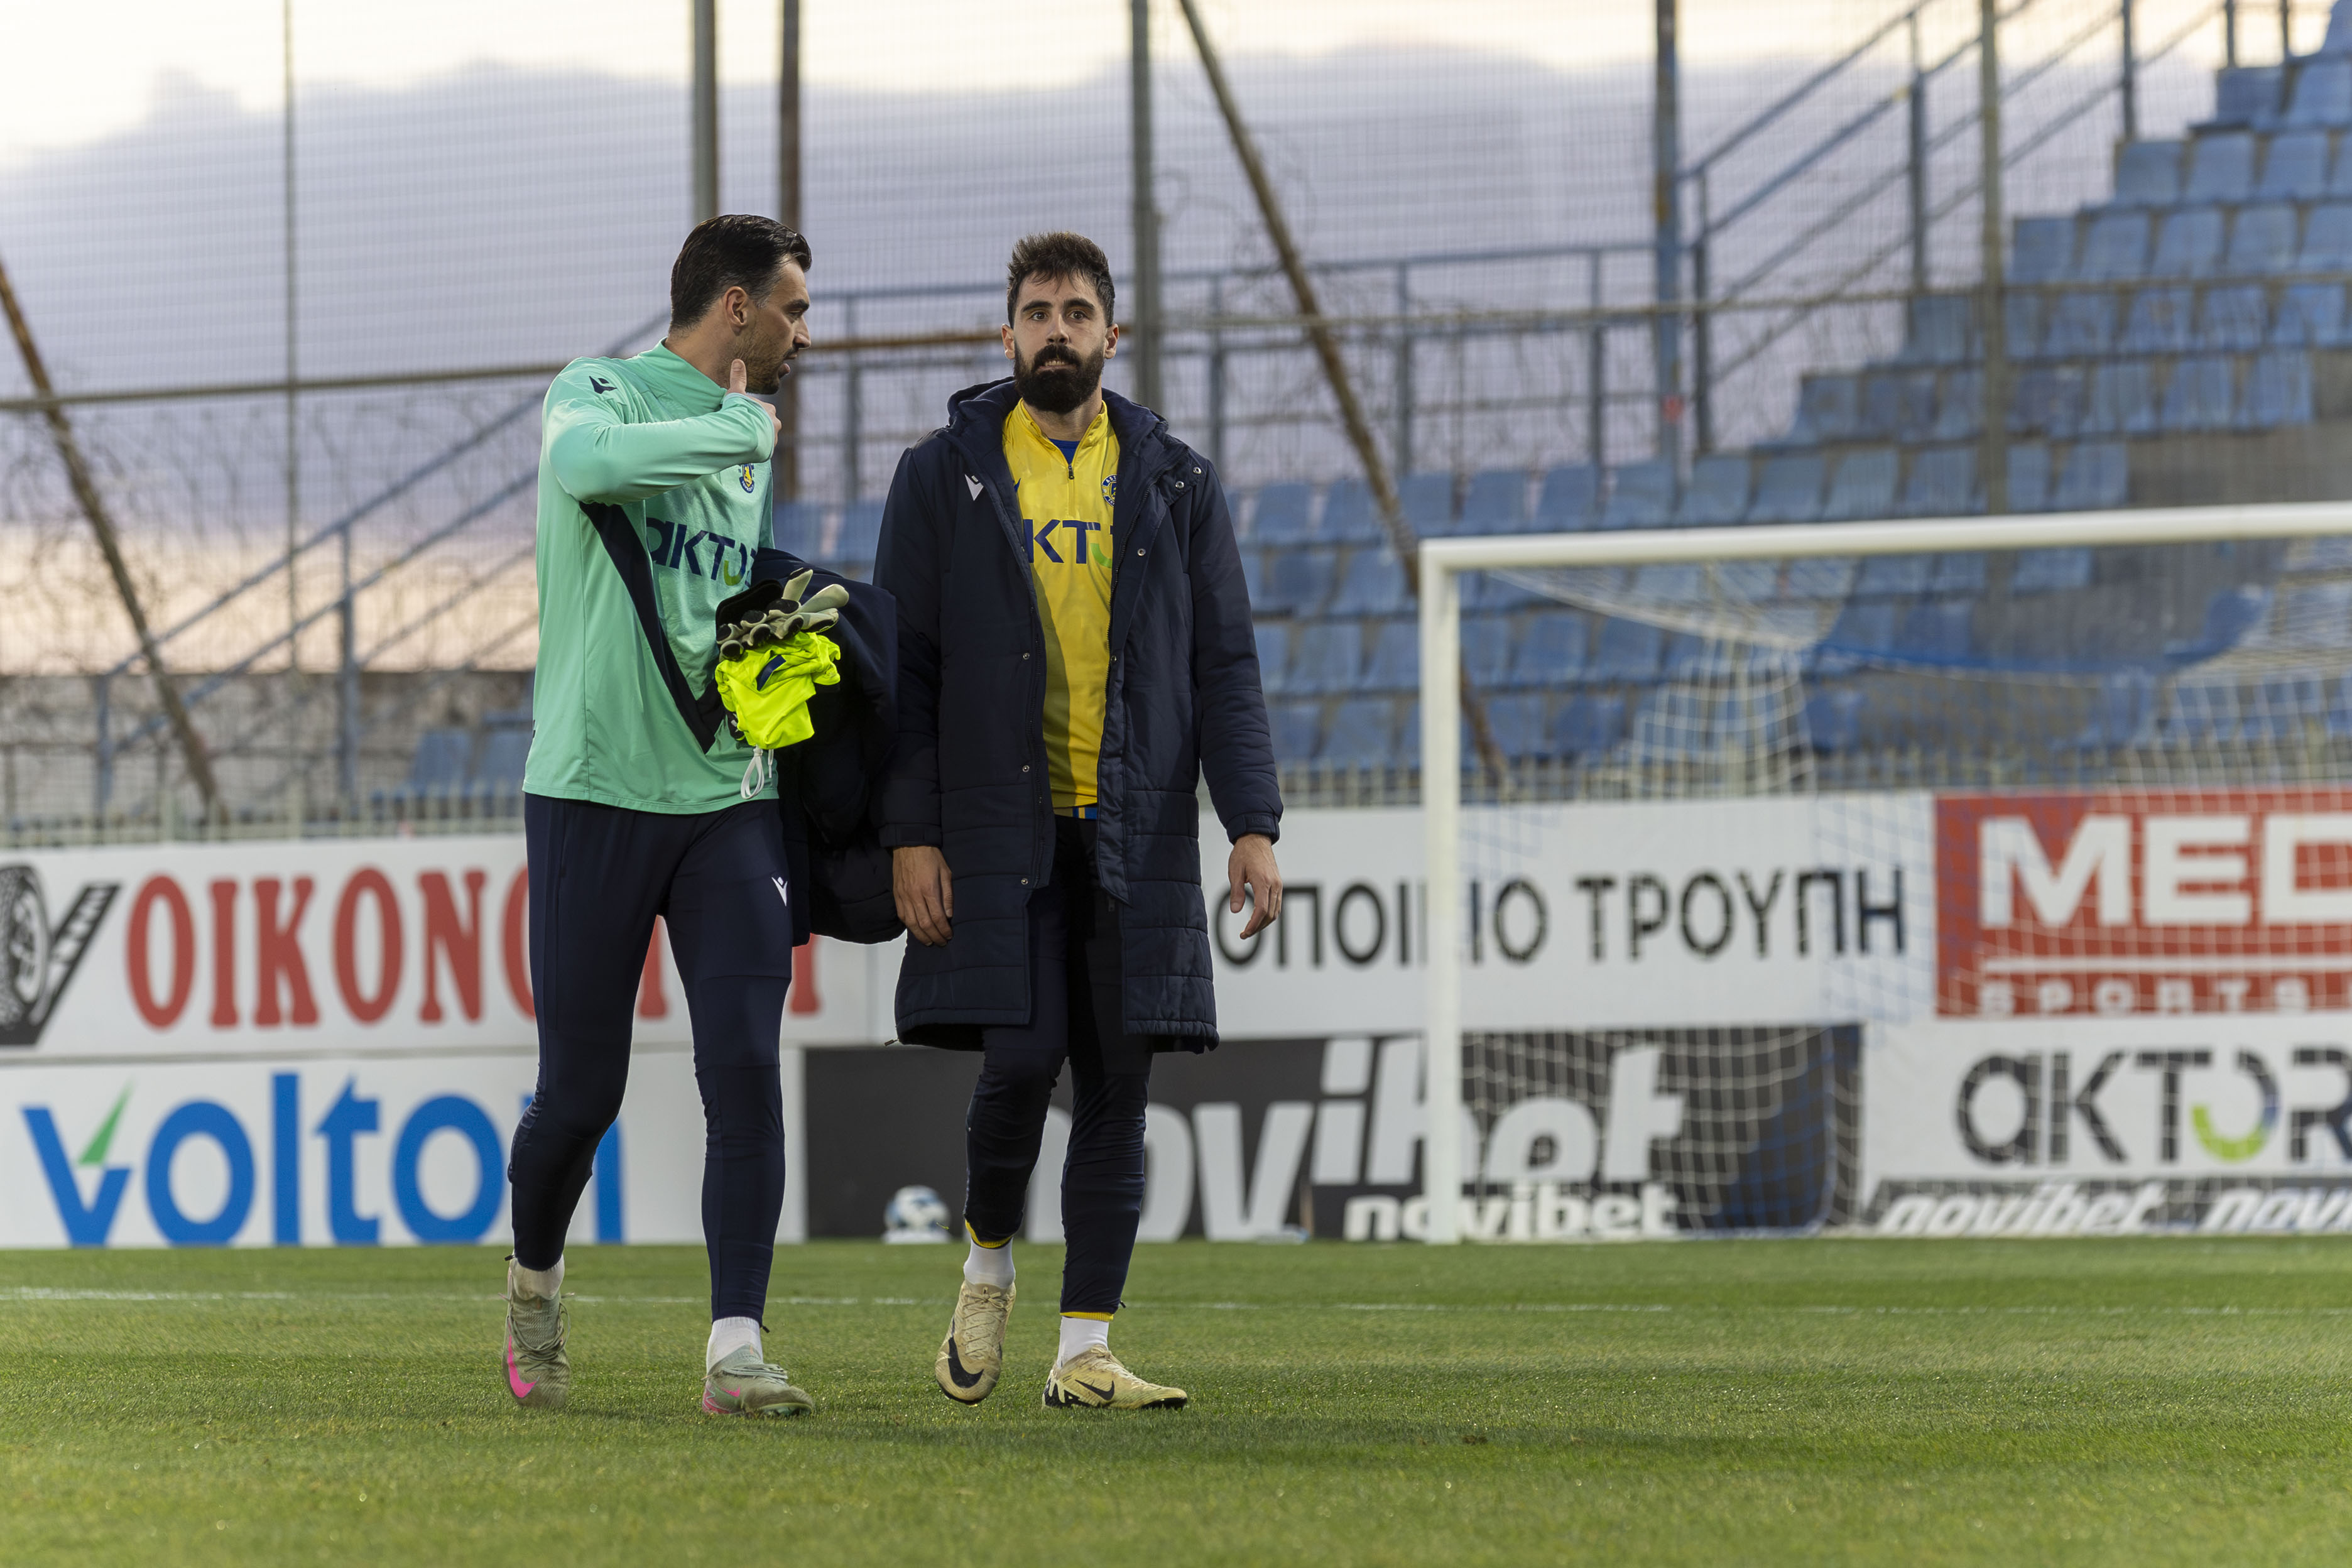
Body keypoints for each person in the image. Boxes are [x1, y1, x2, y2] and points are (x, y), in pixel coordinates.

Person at [876, 231, 1283, 1412]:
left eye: (1077, 313)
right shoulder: (939, 475)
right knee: (1018, 1065)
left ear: (1114, 334)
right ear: (1006, 335)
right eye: (1038, 313)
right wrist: (912, 832)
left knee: (1117, 1085)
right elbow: (904, 672)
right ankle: (987, 1266)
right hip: (997, 828)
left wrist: (1251, 822)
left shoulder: (1176, 481)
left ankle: (1084, 1353)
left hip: (1134, 829)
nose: (1057, 331)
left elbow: (1224, 664)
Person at [503, 214, 819, 1418]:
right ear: (736, 307)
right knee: (580, 1093)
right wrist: (740, 427)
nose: (802, 333)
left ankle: (736, 1351)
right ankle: (535, 1287)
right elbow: (590, 471)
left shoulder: (749, 438)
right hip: (592, 790)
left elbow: (718, 597)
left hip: (727, 795)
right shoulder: (598, 391)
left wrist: (777, 647)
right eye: (791, 307)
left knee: (744, 1068)